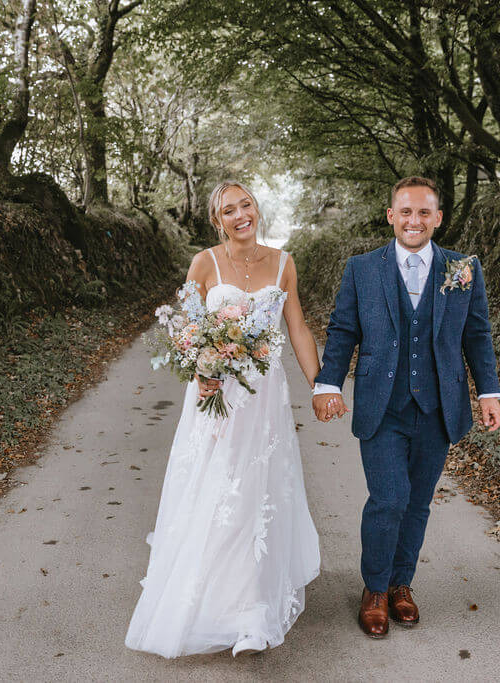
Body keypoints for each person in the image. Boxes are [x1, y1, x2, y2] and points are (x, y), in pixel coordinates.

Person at [124, 180, 321, 658]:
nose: (240, 215)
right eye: (228, 210)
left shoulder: (283, 263)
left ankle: (252, 612)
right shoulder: (205, 262)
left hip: (265, 400)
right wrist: (202, 369)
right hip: (215, 396)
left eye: (245, 205)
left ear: (257, 209)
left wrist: (322, 385)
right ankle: (211, 605)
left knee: (257, 492)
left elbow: (296, 327)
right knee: (218, 490)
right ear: (218, 221)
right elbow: (184, 329)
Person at [312, 176, 500, 638]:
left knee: (417, 503)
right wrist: (326, 383)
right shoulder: (362, 268)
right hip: (383, 404)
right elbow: (342, 331)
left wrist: (488, 392)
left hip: (439, 406)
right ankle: (375, 589)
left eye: (424, 213)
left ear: (438, 218)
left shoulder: (463, 269)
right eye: (405, 211)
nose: (414, 220)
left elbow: (476, 334)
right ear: (391, 216)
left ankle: (402, 585)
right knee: (389, 499)